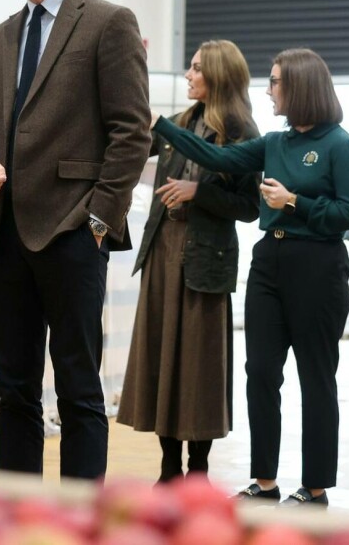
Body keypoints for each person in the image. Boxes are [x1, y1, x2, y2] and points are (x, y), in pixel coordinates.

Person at [0, 0, 151, 480]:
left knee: (78, 391)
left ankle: (79, 522)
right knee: (15, 393)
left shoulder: (106, 22)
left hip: (73, 233)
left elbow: (132, 132)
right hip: (4, 238)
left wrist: (98, 222)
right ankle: (17, 517)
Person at [151, 48, 349, 507]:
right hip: (270, 263)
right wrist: (158, 124)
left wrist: (294, 201)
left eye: (274, 82)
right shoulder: (274, 143)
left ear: (300, 87)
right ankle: (264, 482)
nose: (267, 91)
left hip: (319, 266)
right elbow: (215, 157)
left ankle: (315, 487)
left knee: (315, 377)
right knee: (261, 372)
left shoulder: (341, 146)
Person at [117, 40, 260, 483]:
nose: (188, 75)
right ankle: (167, 467)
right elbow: (138, 135)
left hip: (204, 260)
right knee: (162, 360)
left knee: (200, 367)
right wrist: (133, 68)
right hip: (162, 251)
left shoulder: (242, 133)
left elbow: (249, 206)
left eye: (196, 69)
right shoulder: (180, 123)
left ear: (217, 75)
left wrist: (201, 193)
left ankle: (197, 469)